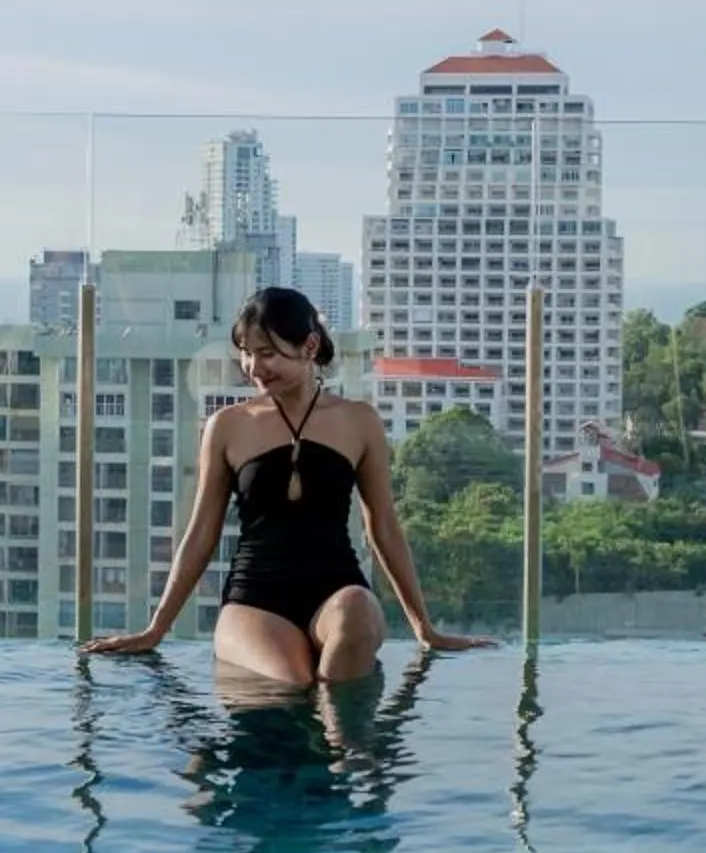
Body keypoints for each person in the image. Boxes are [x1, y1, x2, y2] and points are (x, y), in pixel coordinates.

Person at [82, 286, 489, 683]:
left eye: (268, 353)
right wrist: (156, 629)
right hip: (255, 598)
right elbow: (201, 533)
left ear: (309, 347)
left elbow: (382, 527)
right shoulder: (227, 426)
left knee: (355, 621)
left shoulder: (359, 421)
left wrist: (425, 628)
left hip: (337, 588)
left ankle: (345, 749)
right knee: (293, 680)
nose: (254, 368)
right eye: (246, 354)